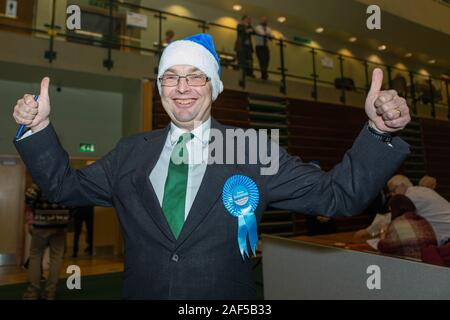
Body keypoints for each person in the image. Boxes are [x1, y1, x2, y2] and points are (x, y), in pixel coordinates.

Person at [13, 33, 411, 299]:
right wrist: (40, 128)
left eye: (195, 77)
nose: (182, 87)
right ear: (159, 88)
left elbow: (337, 196)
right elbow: (65, 187)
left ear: (214, 87)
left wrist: (378, 132)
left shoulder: (253, 150)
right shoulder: (131, 152)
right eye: (170, 77)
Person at [22, 184, 71, 300]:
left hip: (42, 223)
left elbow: (29, 197)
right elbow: (74, 202)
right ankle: (50, 292)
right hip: (60, 224)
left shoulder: (41, 177)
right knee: (56, 257)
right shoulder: (66, 179)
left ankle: (33, 291)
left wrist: (35, 209)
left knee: (35, 255)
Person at [387, 175, 450, 246]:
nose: (392, 194)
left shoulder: (410, 197)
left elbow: (396, 221)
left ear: (402, 185)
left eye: (393, 190)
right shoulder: (420, 190)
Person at [378, 194, 437, 260]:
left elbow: (383, 248)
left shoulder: (397, 223)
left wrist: (382, 233)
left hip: (408, 265)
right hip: (429, 263)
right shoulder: (423, 220)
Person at [254, 16, 273, 80]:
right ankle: (264, 75)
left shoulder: (268, 28)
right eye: (263, 20)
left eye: (266, 20)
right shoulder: (257, 27)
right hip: (259, 46)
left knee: (267, 60)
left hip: (266, 47)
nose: (265, 21)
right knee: (262, 60)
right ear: (260, 20)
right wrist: (267, 34)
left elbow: (271, 37)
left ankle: (264, 74)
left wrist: (268, 35)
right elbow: (262, 34)